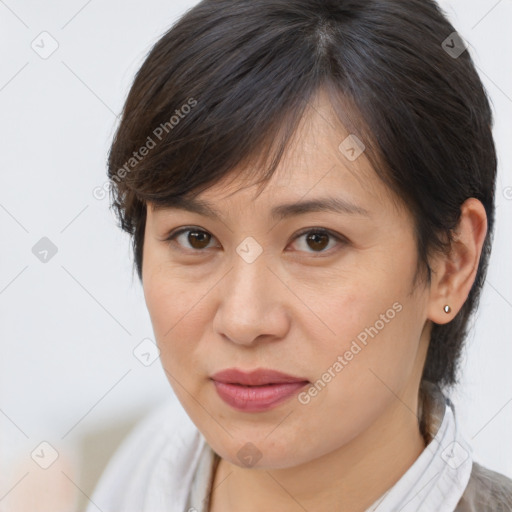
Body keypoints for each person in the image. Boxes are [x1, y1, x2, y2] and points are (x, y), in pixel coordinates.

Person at [87, 0, 512, 510]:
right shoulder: (143, 468)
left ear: (451, 262)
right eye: (196, 238)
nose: (244, 321)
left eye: (316, 240)